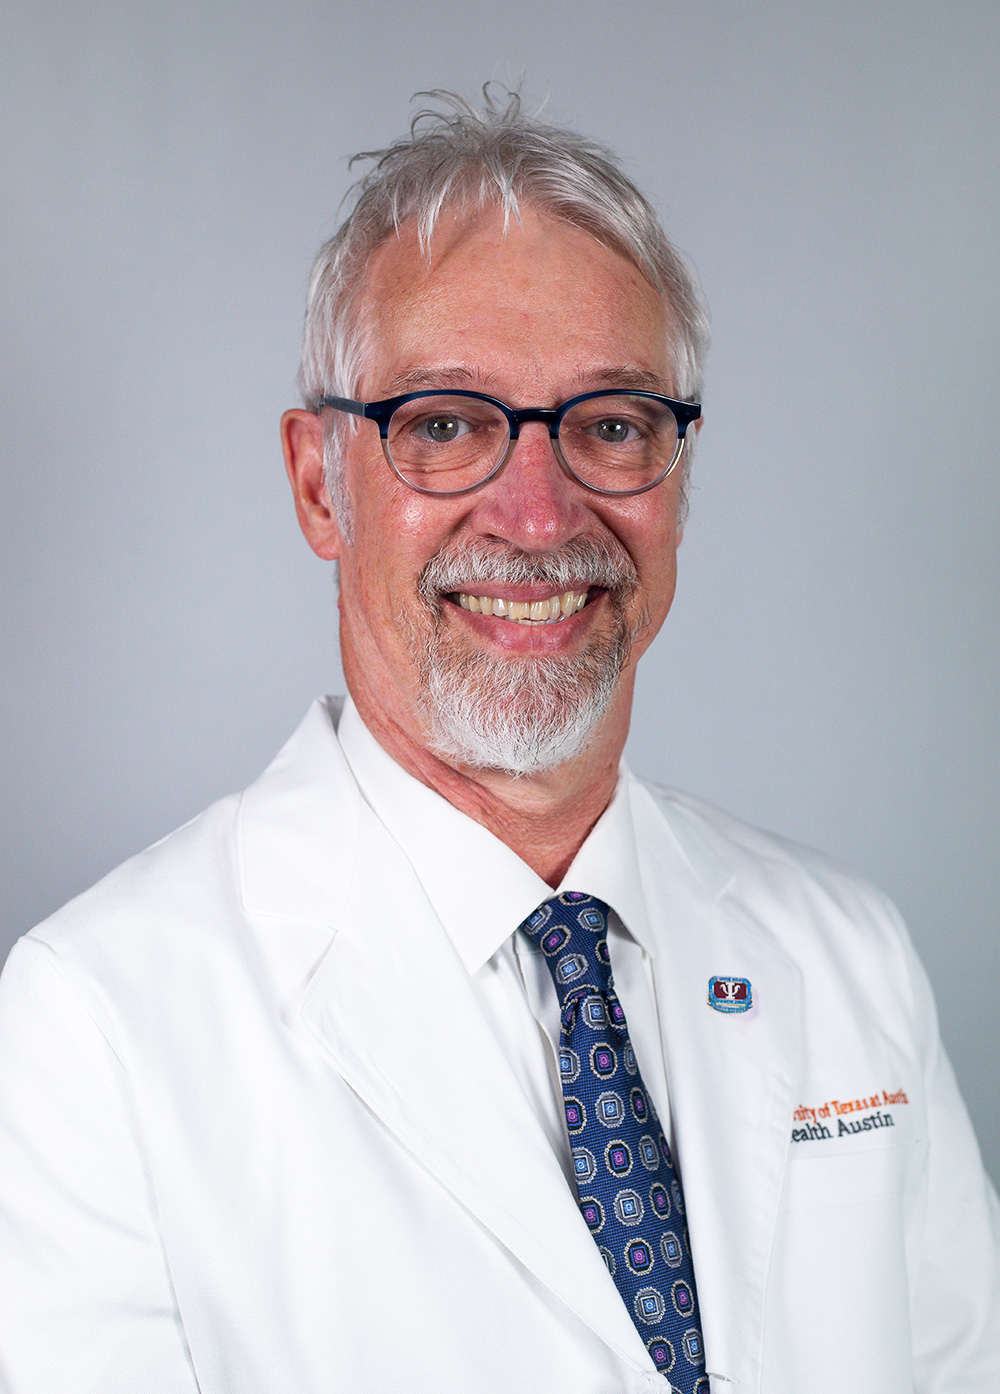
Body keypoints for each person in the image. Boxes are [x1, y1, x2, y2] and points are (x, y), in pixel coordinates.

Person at [0, 89, 997, 1394]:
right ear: (320, 482)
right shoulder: (93, 1031)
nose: (536, 515)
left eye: (614, 424)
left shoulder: (849, 954)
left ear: (678, 480)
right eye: (449, 425)